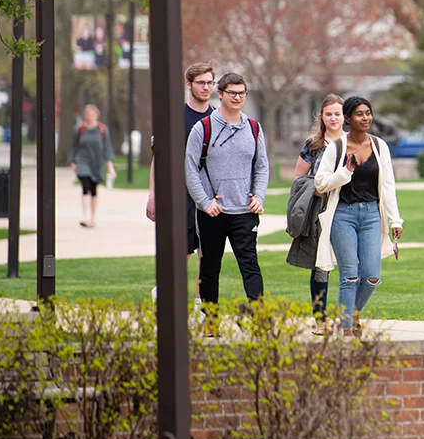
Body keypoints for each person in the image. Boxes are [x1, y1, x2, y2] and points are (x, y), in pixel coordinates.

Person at [184, 72, 270, 335]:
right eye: (232, 92)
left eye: (242, 93)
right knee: (210, 268)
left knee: (250, 265)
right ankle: (211, 323)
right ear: (219, 93)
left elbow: (262, 166)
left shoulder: (254, 128)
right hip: (213, 212)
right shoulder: (203, 128)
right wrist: (204, 202)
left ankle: (258, 319)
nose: (237, 97)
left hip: (244, 211)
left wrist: (259, 196)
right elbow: (190, 169)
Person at [313, 96, 403, 335]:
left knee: (372, 275)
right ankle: (346, 329)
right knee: (350, 275)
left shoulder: (379, 146)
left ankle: (350, 313)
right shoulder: (337, 148)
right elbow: (320, 184)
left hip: (372, 215)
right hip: (343, 215)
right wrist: (345, 172)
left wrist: (395, 219)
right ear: (348, 118)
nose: (366, 118)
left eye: (368, 113)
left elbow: (388, 186)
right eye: (360, 114)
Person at [146, 62, 215, 308]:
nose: (206, 87)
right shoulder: (174, 117)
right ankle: (166, 292)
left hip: (208, 195)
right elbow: (159, 158)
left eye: (210, 82)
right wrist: (153, 195)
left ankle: (199, 304)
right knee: (182, 251)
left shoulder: (216, 118)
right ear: (189, 85)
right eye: (201, 83)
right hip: (179, 194)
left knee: (206, 253)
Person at [288, 94, 345, 319]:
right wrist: (316, 187)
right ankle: (320, 318)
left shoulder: (354, 142)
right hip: (320, 210)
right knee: (320, 265)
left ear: (344, 116)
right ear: (321, 116)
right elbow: (298, 178)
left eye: (337, 114)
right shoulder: (314, 145)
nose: (333, 118)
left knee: (351, 265)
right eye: (328, 114)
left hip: (347, 209)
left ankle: (349, 316)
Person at [69, 104, 116, 229]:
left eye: (92, 114)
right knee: (85, 185)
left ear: (97, 115)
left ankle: (93, 218)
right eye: (88, 114)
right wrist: (72, 161)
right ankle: (84, 216)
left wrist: (110, 166)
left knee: (94, 189)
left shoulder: (102, 129)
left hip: (97, 161)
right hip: (82, 160)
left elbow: (107, 148)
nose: (90, 116)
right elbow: (73, 146)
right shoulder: (80, 129)